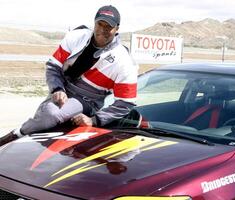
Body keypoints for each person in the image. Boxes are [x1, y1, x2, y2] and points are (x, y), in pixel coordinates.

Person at [0, 5, 138, 146]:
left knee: (52, 114)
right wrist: (57, 89)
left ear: (117, 29)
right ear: (94, 23)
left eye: (108, 27)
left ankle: (14, 136)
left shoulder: (124, 60)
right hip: (63, 89)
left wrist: (94, 120)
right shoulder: (77, 36)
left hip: (88, 100)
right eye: (100, 24)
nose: (102, 30)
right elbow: (53, 66)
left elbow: (126, 102)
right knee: (43, 121)